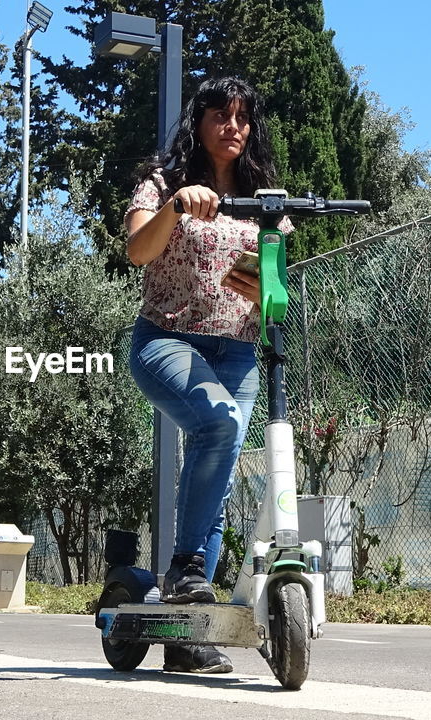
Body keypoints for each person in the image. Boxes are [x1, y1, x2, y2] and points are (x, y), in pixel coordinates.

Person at [124, 76, 293, 675]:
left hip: (238, 352)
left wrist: (267, 277)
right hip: (166, 341)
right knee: (218, 424)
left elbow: (271, 276)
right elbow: (138, 252)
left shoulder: (262, 197)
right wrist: (176, 206)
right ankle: (186, 573)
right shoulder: (162, 182)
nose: (233, 127)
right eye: (220, 115)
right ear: (198, 123)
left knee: (214, 481)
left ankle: (185, 634)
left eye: (243, 117)